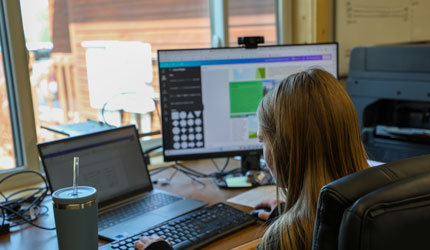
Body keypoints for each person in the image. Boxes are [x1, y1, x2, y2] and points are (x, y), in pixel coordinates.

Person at [134, 68, 369, 250]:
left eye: (262, 140)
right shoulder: (373, 203)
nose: (263, 150)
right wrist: (294, 210)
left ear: (285, 150)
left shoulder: (287, 239)